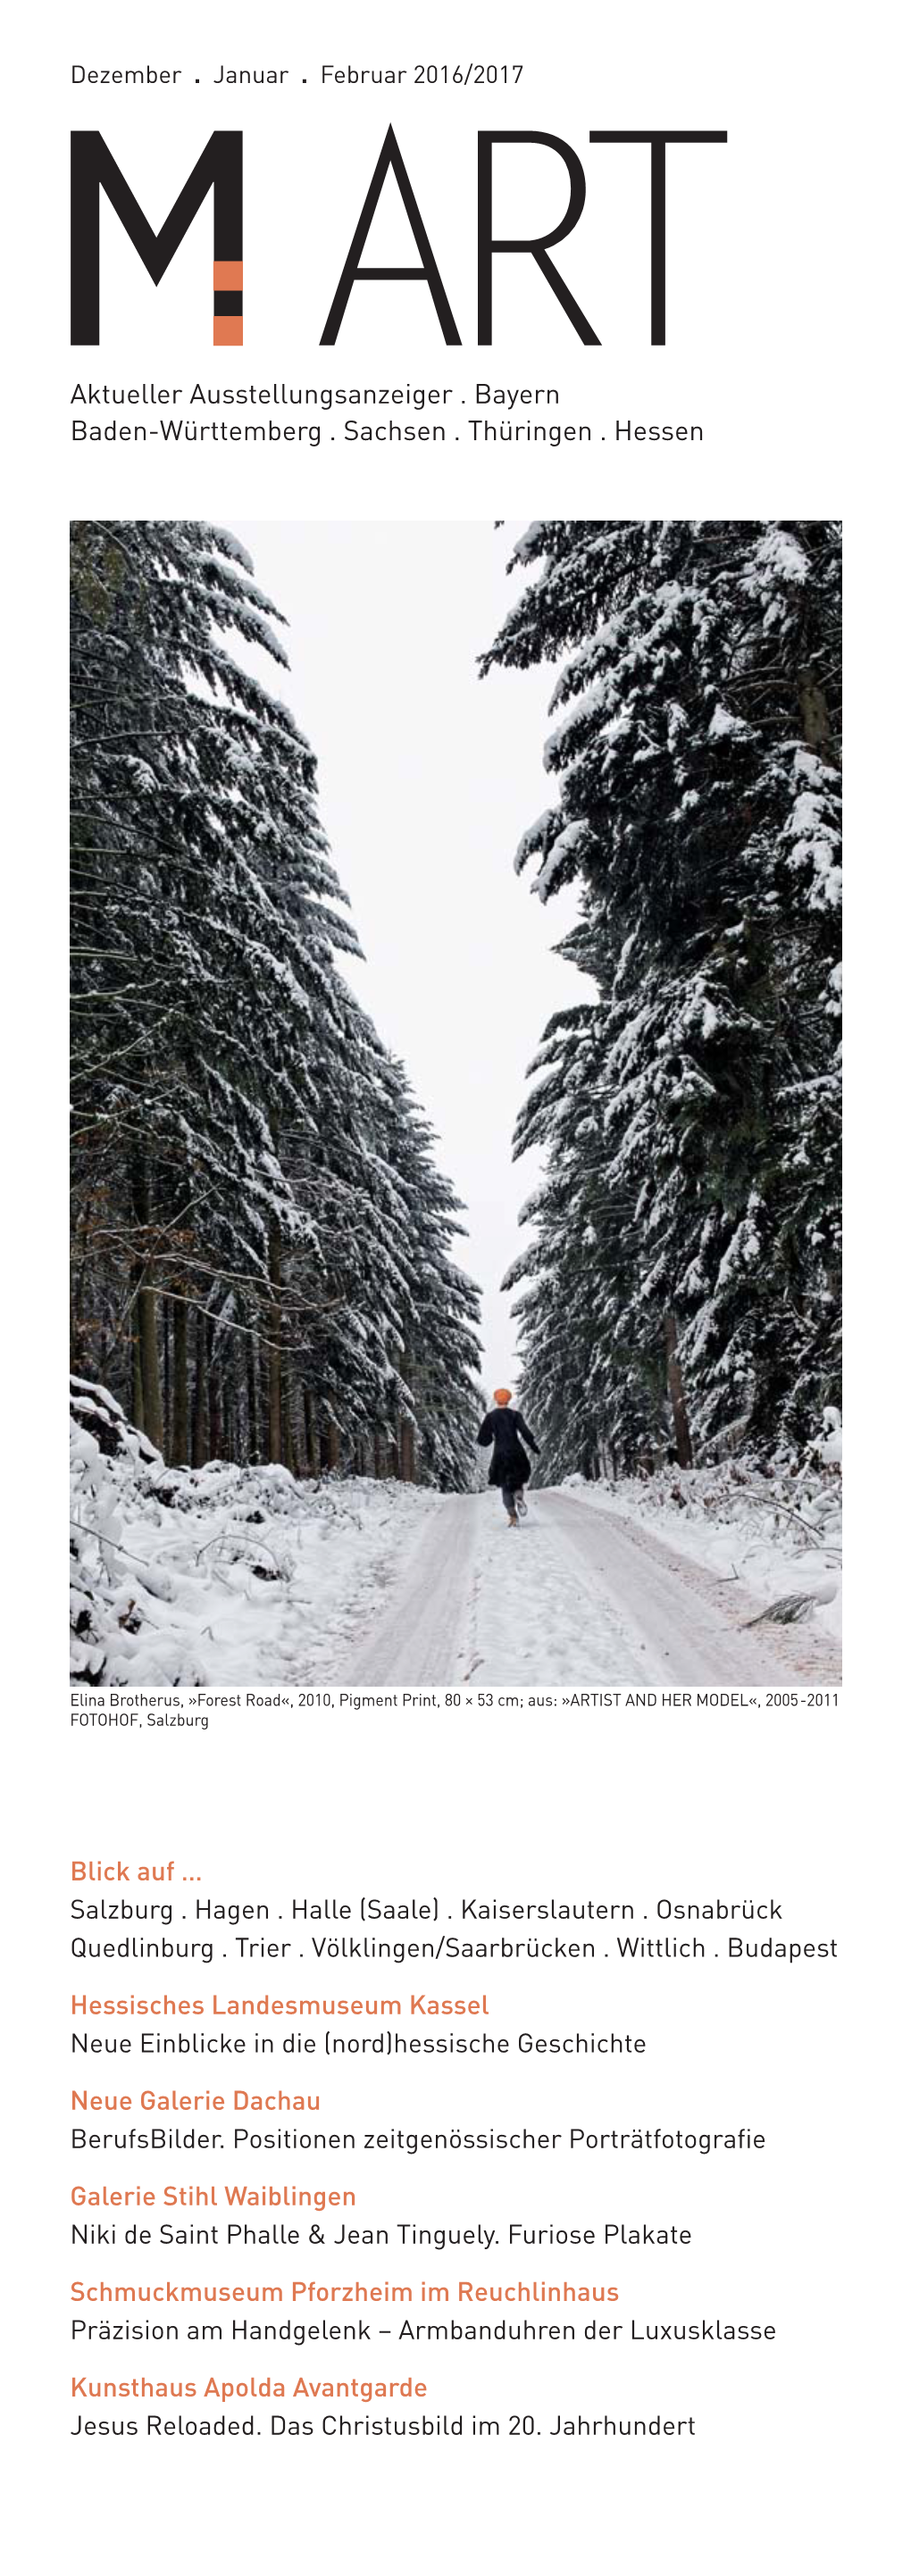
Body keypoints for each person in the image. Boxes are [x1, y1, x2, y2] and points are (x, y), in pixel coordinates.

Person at [477, 1388, 539, 1528]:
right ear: (508, 1399)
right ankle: (519, 1496)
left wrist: (492, 1437)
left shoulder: (491, 1417)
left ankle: (513, 1516)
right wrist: (534, 1447)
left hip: (500, 1455)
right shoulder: (515, 1415)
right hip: (517, 1452)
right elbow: (525, 1432)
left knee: (505, 1486)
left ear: (496, 1399)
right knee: (517, 1481)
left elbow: (483, 1439)